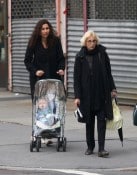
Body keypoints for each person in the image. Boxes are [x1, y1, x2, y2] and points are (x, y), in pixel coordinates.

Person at [73, 30, 117, 158]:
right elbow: (77, 78)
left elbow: (109, 73)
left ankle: (102, 149)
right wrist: (77, 96)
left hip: (101, 93)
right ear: (85, 42)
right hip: (87, 96)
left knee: (102, 121)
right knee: (89, 122)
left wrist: (112, 89)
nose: (92, 43)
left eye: (94, 41)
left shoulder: (102, 54)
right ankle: (90, 146)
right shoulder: (80, 56)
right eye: (89, 41)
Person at [24, 19, 65, 100]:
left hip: (53, 77)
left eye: (47, 28)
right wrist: (35, 71)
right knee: (40, 106)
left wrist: (61, 68)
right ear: (38, 30)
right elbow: (27, 60)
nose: (45, 31)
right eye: (43, 29)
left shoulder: (55, 41)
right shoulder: (33, 42)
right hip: (39, 79)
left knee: (54, 104)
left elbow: (61, 58)